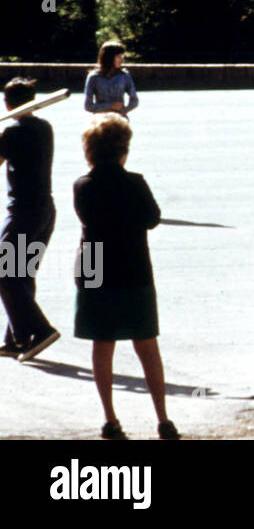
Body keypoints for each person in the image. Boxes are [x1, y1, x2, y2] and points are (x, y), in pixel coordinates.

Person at [73, 114, 179, 439]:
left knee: (102, 345)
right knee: (146, 345)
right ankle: (162, 419)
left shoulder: (82, 185)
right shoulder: (135, 182)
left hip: (93, 263)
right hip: (132, 264)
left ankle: (110, 418)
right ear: (123, 149)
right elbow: (152, 218)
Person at [0, 78, 60, 361]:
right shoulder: (44, 127)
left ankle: (41, 330)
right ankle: (18, 338)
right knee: (20, 274)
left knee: (5, 273)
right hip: (45, 211)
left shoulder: (12, 132)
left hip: (23, 213)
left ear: (8, 103)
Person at [84, 41, 139, 117]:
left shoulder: (124, 75)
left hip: (120, 119)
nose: (121, 59)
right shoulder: (93, 77)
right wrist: (110, 106)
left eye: (122, 56)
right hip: (100, 120)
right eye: (118, 56)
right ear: (108, 57)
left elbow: (134, 101)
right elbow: (88, 106)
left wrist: (123, 111)